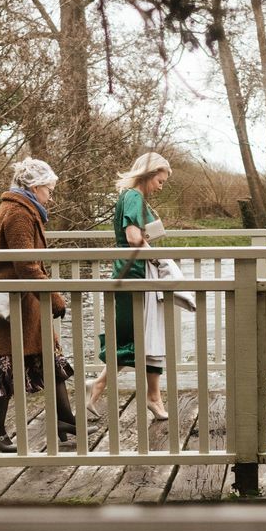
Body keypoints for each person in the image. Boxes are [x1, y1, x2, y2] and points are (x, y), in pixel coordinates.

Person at [0, 157, 76, 445]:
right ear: (35, 187)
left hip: (25, 302)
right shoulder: (18, 213)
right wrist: (53, 297)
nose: (51, 196)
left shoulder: (18, 208)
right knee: (6, 367)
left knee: (49, 357)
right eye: (49, 190)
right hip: (16, 304)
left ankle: (65, 420)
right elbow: (26, 264)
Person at [85, 151, 173, 422]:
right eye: (160, 181)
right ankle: (150, 396)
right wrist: (158, 258)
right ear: (148, 175)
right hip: (135, 272)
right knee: (144, 334)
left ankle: (99, 386)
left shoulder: (129, 196)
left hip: (130, 272)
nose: (161, 187)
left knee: (136, 336)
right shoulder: (134, 197)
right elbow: (133, 237)